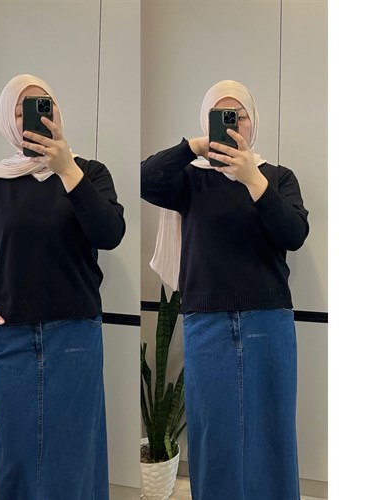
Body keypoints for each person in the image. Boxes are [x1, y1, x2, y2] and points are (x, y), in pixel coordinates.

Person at [141, 80, 309, 500]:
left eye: (240, 116)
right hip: (207, 321)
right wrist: (194, 147)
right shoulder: (189, 179)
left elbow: (293, 233)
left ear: (254, 122)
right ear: (206, 122)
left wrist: (254, 180)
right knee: (212, 433)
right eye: (221, 116)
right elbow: (144, 178)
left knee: (271, 430)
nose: (233, 125)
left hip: (267, 320)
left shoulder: (277, 177)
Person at [0, 74, 125, 500]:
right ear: (8, 120)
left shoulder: (89, 173)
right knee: (17, 455)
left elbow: (110, 234)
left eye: (42, 107)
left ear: (56, 114)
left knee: (74, 451)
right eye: (21, 111)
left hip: (74, 334)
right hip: (9, 334)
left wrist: (67, 169)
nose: (31, 119)